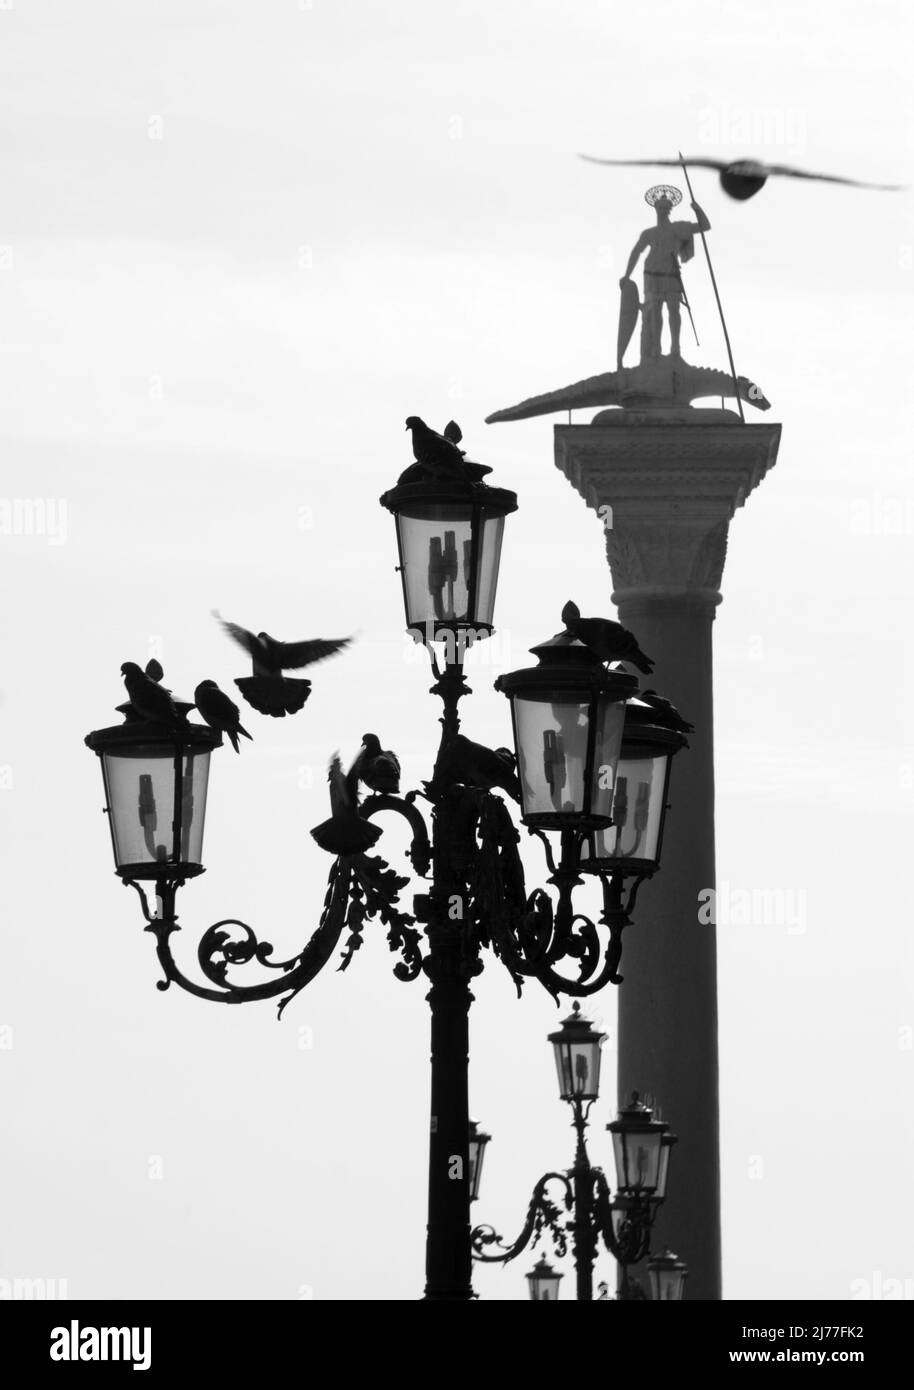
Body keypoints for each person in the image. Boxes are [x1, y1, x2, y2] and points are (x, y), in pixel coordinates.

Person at [620, 184, 710, 360]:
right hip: (652, 273)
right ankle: (656, 349)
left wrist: (698, 210)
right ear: (655, 209)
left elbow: (704, 226)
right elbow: (636, 252)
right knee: (654, 312)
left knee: (674, 310)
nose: (662, 210)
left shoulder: (678, 228)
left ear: (670, 209)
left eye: (665, 207)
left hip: (671, 273)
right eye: (659, 207)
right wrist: (627, 275)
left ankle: (675, 348)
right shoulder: (649, 233)